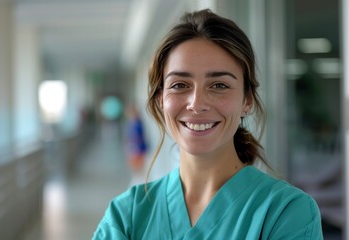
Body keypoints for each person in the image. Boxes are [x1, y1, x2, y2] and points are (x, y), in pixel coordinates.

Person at [92, 9, 323, 239]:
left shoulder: (286, 213)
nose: (196, 103)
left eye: (219, 85)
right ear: (160, 99)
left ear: (247, 100)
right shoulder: (125, 217)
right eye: (180, 85)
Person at [124, 104, 148, 185]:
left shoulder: (137, 124)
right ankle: (137, 180)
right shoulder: (131, 123)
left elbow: (139, 138)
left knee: (139, 168)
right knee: (135, 167)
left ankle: (139, 182)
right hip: (133, 149)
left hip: (137, 149)